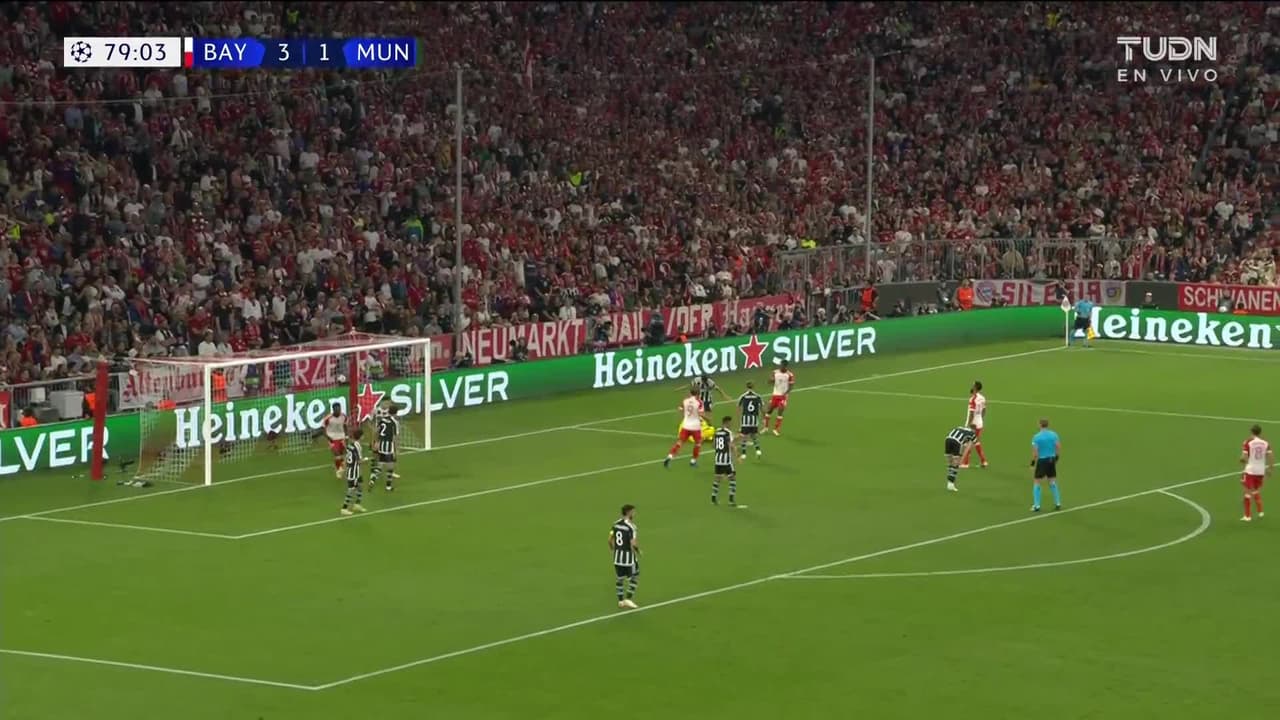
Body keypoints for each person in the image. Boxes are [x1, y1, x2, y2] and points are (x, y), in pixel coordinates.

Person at [664, 389, 707, 468]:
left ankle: (669, 456)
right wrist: (706, 418)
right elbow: (701, 413)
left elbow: (680, 408)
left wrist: (686, 413)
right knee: (698, 443)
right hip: (695, 427)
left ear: (690, 393)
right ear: (698, 394)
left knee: (679, 442)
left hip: (686, 425)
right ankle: (693, 461)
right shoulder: (699, 402)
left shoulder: (685, 401)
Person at [1240, 424, 1273, 522]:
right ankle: (1260, 511)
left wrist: (1242, 460)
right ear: (1260, 432)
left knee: (1247, 492)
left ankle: (1247, 516)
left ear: (1251, 432)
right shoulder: (1265, 443)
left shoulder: (1248, 442)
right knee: (1255, 489)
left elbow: (1244, 458)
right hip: (1260, 471)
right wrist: (1270, 468)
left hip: (1250, 470)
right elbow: (1270, 456)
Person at [609, 504, 640, 609]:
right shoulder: (631, 527)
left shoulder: (615, 524)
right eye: (633, 512)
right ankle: (628, 599)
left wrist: (613, 550)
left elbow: (610, 539)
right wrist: (638, 551)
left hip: (617, 557)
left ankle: (620, 601)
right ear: (629, 512)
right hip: (628, 558)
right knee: (635, 576)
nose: (634, 514)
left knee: (620, 579)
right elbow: (633, 543)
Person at [1030, 419, 1062, 512]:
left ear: (1040, 425)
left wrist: (1032, 463)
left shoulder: (1036, 437)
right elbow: (1058, 446)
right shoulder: (1054, 435)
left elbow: (1035, 453)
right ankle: (1058, 502)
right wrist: (1056, 457)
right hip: (1051, 459)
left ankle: (1037, 505)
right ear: (1047, 425)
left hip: (1042, 460)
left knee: (1037, 482)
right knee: (1052, 481)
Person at [368, 399, 400, 492]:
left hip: (381, 445)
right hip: (389, 447)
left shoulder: (382, 420)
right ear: (396, 413)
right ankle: (388, 487)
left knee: (380, 464)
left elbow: (376, 431)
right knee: (390, 467)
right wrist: (396, 449)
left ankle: (372, 479)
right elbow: (395, 437)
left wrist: (375, 441)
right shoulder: (395, 423)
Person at [960, 381, 988, 468]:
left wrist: (969, 424)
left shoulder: (972, 399)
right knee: (976, 442)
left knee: (967, 443)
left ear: (975, 387)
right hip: (980, 423)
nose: (972, 386)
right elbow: (984, 410)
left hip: (973, 424)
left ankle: (965, 463)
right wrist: (980, 419)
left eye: (973, 385)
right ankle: (983, 461)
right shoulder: (982, 398)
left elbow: (971, 413)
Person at [711, 416, 738, 506]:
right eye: (730, 423)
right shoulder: (728, 432)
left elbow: (713, 445)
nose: (731, 424)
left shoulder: (717, 431)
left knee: (717, 478)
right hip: (726, 460)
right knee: (732, 478)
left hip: (718, 459)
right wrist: (737, 456)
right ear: (727, 423)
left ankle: (713, 498)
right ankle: (731, 500)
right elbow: (731, 445)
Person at [763, 360, 795, 436]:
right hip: (775, 395)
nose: (781, 367)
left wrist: (785, 394)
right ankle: (765, 428)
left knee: (780, 412)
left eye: (782, 366)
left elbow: (791, 386)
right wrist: (771, 380)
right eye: (780, 365)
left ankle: (776, 429)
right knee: (769, 410)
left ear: (786, 366)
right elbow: (769, 382)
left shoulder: (790, 375)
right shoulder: (775, 372)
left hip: (783, 397)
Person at [340, 428, 367, 516]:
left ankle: (357, 504)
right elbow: (359, 461)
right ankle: (344, 508)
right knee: (351, 490)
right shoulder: (357, 446)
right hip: (353, 472)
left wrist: (343, 468)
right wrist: (366, 460)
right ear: (361, 436)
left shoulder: (350, 445)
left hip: (355, 470)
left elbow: (346, 457)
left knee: (360, 486)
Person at [944, 424, 978, 492]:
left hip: (948, 439)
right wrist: (962, 459)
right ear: (974, 430)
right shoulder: (973, 434)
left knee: (950, 462)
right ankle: (951, 483)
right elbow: (968, 448)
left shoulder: (959, 427)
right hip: (956, 442)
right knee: (956, 463)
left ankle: (950, 480)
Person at [737, 381, 764, 459]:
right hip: (754, 420)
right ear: (753, 387)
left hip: (745, 420)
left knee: (744, 437)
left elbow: (738, 407)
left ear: (746, 387)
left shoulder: (743, 396)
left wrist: (739, 418)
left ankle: (744, 454)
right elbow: (762, 408)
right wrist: (763, 418)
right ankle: (758, 450)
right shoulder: (758, 396)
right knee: (754, 436)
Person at [322, 403, 348, 478]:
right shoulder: (328, 418)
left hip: (341, 437)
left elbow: (345, 426)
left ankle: (340, 467)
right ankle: (338, 471)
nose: (338, 411)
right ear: (333, 410)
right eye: (336, 410)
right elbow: (323, 429)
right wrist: (328, 438)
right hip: (332, 438)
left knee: (342, 454)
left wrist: (346, 436)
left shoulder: (344, 416)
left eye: (339, 409)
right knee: (337, 454)